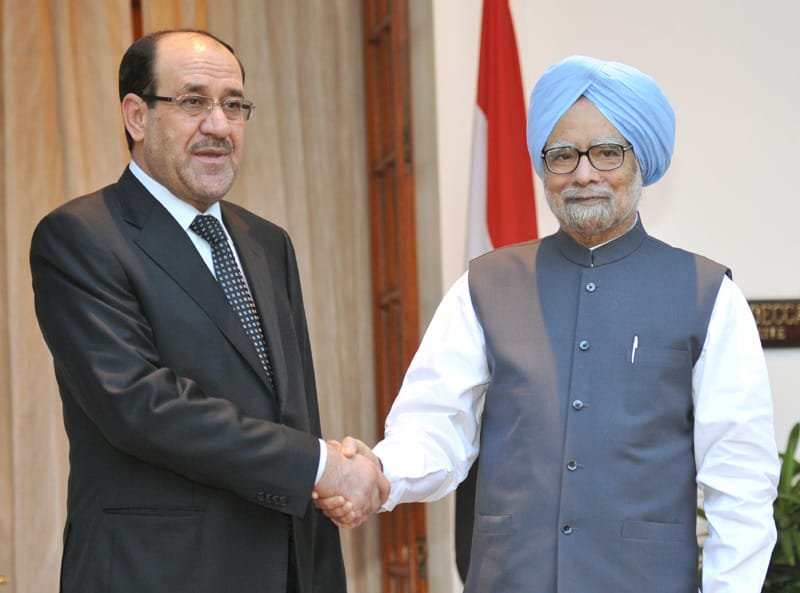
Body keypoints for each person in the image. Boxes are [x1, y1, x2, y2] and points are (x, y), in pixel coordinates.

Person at [316, 55, 780, 593]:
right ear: (544, 168)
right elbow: (435, 425)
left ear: (641, 161)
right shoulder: (485, 284)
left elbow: (740, 483)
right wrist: (379, 473)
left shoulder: (708, 294)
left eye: (607, 152)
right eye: (562, 155)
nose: (584, 173)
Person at [30, 29, 386, 593]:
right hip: (156, 572)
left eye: (234, 105)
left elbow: (294, 410)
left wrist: (329, 480)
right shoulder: (81, 237)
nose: (219, 125)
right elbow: (141, 405)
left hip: (289, 568)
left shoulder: (267, 242)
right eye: (193, 101)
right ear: (137, 116)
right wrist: (320, 465)